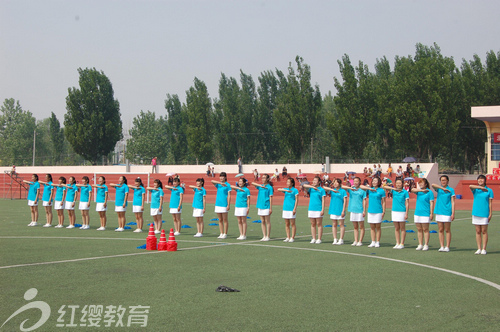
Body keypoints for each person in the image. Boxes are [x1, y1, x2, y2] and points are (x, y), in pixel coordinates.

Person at [469, 175, 493, 255]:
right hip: (476, 212)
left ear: (485, 180)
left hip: (484, 213)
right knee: (478, 231)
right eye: (479, 179)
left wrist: (490, 213)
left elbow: (490, 203)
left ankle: (484, 249)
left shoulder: (489, 190)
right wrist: (480, 188)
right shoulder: (476, 189)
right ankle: (479, 248)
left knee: (484, 231)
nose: (480, 180)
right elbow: (470, 186)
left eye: (482, 179)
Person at [432, 175, 455, 252]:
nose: (443, 182)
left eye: (444, 180)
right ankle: (441, 246)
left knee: (447, 230)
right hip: (439, 211)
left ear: (447, 181)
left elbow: (453, 202)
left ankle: (447, 246)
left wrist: (453, 213)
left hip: (447, 211)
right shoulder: (439, 189)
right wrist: (442, 188)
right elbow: (432, 185)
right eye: (442, 180)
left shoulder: (451, 190)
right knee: (440, 229)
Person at [361, 176, 386, 248]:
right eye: (373, 181)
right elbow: (361, 186)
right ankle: (373, 241)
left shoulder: (381, 191)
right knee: (372, 227)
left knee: (378, 227)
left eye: (376, 181)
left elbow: (384, 202)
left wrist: (383, 211)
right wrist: (369, 188)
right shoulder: (369, 190)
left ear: (379, 182)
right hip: (370, 210)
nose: (374, 182)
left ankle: (377, 242)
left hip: (378, 210)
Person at [384, 178, 409, 249]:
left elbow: (407, 203)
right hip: (394, 211)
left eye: (400, 183)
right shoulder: (394, 191)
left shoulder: (405, 192)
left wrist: (406, 213)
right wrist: (394, 188)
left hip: (402, 211)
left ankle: (402, 243)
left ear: (402, 184)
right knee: (396, 228)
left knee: (402, 228)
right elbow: (384, 186)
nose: (398, 184)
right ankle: (397, 242)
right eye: (397, 183)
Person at [342, 177, 367, 246]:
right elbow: (341, 186)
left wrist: (364, 210)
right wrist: (350, 187)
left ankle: (360, 241)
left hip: (360, 210)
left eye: (357, 181)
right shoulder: (351, 190)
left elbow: (364, 201)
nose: (355, 182)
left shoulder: (362, 191)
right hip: (352, 210)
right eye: (354, 181)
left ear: (359, 182)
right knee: (355, 227)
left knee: (361, 226)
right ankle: (355, 240)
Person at [411, 178, 434, 251]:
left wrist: (431, 213)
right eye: (419, 183)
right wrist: (421, 190)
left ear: (426, 184)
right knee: (419, 229)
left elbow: (431, 203)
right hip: (417, 213)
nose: (420, 184)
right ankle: (420, 244)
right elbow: (412, 189)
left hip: (425, 213)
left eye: (422, 183)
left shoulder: (429, 192)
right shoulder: (419, 191)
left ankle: (426, 244)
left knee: (425, 229)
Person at [323, 178, 347, 245]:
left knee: (341, 224)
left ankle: (341, 239)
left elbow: (345, 201)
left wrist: (343, 210)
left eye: (337, 182)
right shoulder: (332, 191)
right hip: (333, 209)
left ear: (339, 183)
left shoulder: (343, 191)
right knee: (334, 224)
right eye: (334, 183)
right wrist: (331, 189)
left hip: (340, 210)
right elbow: (324, 187)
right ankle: (335, 239)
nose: (335, 184)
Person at [303, 176, 326, 244]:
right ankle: (313, 238)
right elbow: (303, 185)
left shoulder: (321, 190)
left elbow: (323, 200)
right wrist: (312, 187)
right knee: (312, 224)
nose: (314, 182)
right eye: (313, 180)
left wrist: (322, 209)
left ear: (319, 182)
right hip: (311, 208)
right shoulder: (311, 189)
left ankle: (319, 238)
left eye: (316, 180)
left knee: (319, 224)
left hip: (318, 208)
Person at [252, 174, 273, 241]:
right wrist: (260, 185)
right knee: (262, 221)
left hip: (266, 206)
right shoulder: (260, 186)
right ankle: (264, 235)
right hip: (260, 205)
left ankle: (268, 236)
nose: (263, 179)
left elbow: (270, 197)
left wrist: (270, 208)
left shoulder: (269, 187)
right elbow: (252, 183)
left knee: (267, 221)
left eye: (264, 178)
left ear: (267, 179)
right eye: (262, 178)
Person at [278, 178, 299, 243]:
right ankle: (288, 237)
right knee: (287, 223)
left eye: (288, 182)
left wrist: (294, 209)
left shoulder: (295, 190)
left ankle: (292, 237)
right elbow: (278, 189)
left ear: (292, 183)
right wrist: (286, 190)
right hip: (285, 208)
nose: (287, 183)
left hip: (291, 208)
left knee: (292, 223)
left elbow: (297, 200)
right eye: (287, 182)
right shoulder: (286, 189)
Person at [212, 172, 232, 239]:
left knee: (225, 219)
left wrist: (228, 204)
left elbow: (229, 195)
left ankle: (225, 233)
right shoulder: (219, 184)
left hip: (224, 204)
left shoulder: (228, 185)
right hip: (218, 203)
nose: (221, 178)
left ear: (225, 177)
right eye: (220, 176)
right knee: (220, 219)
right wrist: (220, 183)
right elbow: (212, 181)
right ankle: (221, 233)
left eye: (223, 176)